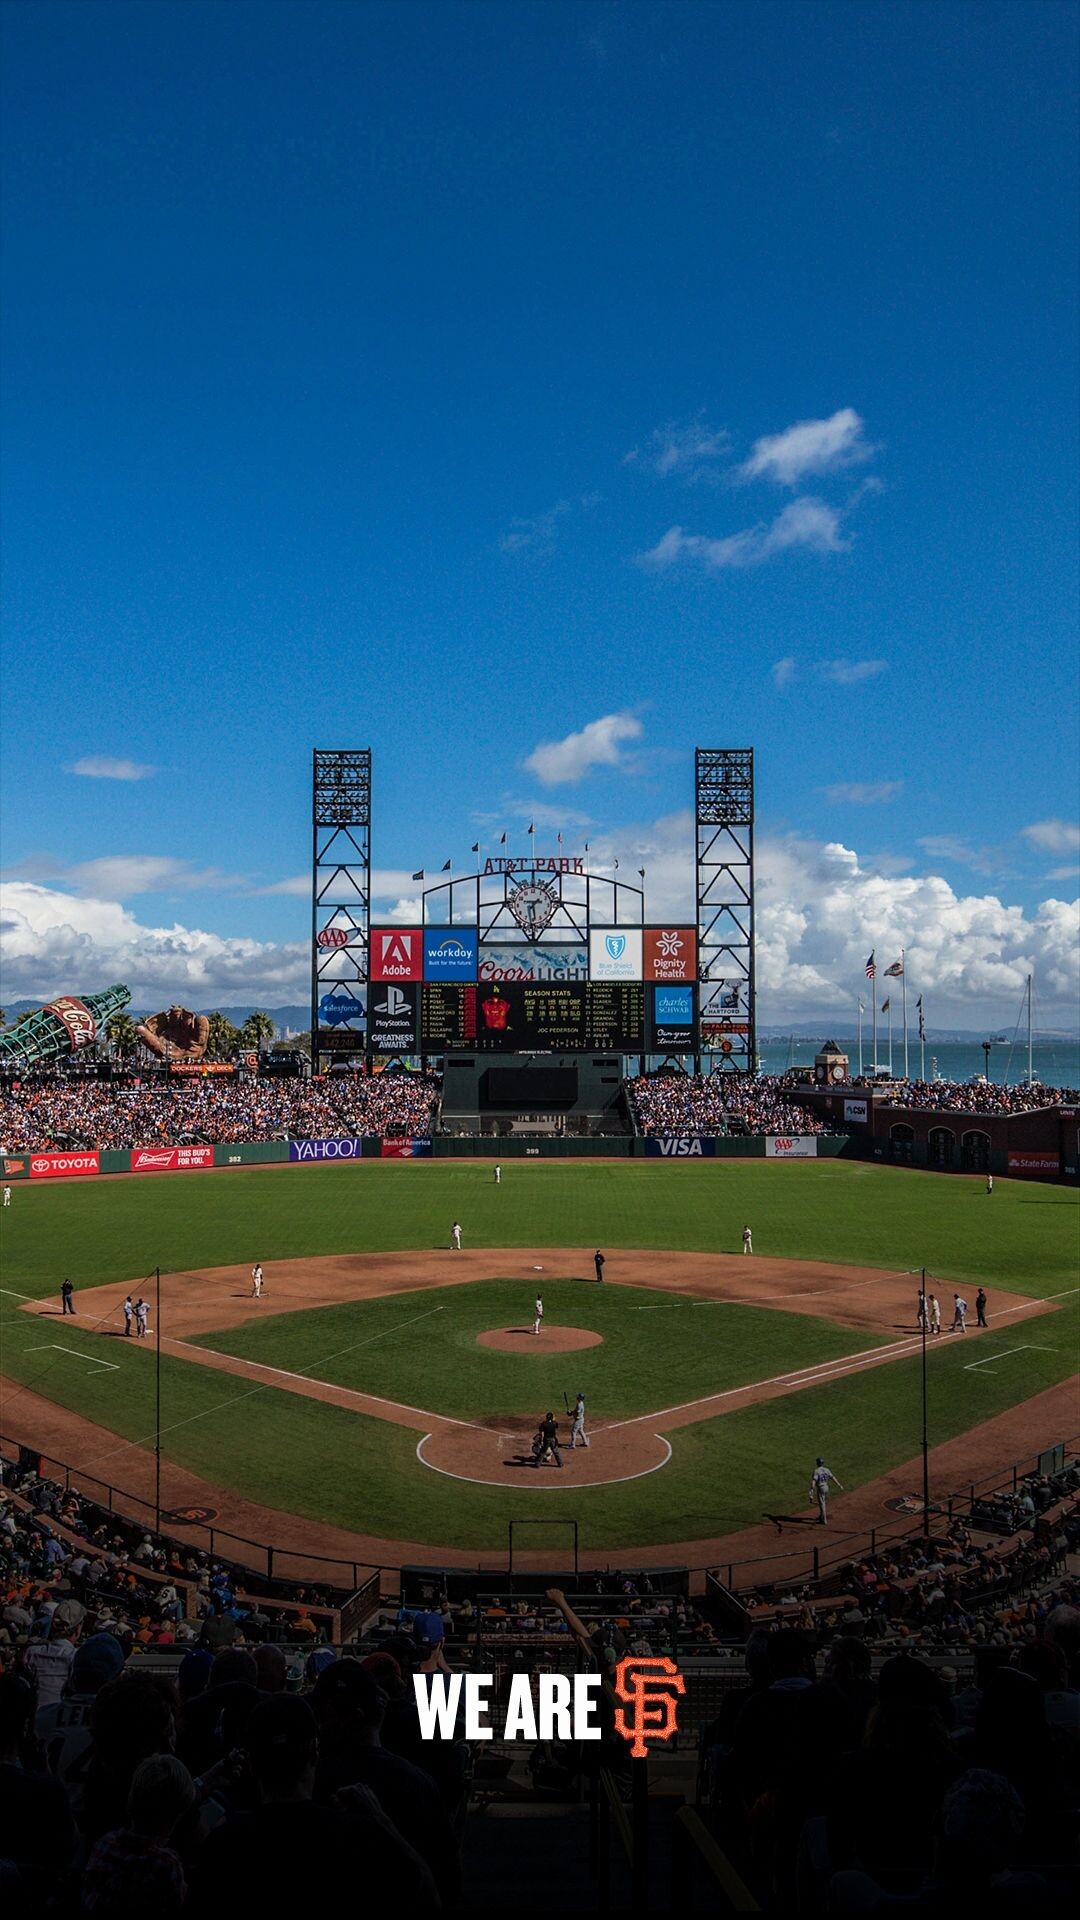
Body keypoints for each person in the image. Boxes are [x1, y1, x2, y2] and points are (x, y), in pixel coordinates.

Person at [810, 1455, 842, 1523]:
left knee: (822, 1504)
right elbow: (833, 1477)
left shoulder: (816, 1471)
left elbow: (814, 1481)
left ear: (817, 1463)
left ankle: (824, 1520)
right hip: (826, 1488)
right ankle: (821, 1515)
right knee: (823, 1503)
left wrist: (811, 1491)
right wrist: (839, 1484)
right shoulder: (827, 1469)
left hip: (821, 1488)